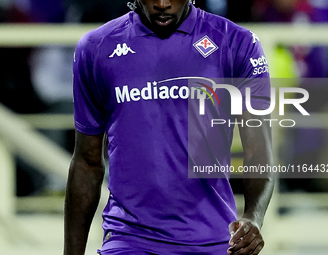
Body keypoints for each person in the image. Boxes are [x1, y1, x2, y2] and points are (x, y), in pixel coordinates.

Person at [64, 0, 274, 254]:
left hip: (215, 241)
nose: (162, 4)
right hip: (128, 239)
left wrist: (253, 217)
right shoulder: (96, 48)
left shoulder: (237, 43)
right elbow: (87, 162)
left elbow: (258, 153)